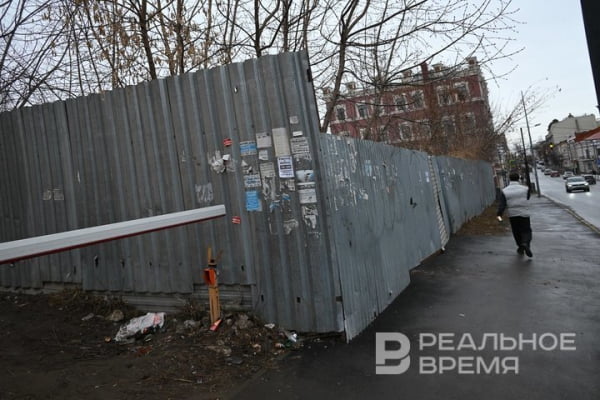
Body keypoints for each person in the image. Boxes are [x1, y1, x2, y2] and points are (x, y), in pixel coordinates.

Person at [497, 172, 533, 257]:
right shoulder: (525, 189)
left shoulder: (505, 191)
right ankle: (525, 243)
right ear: (518, 178)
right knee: (526, 230)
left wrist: (499, 215)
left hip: (513, 215)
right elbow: (527, 197)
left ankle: (520, 247)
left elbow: (502, 204)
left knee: (516, 231)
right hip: (524, 213)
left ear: (510, 179)